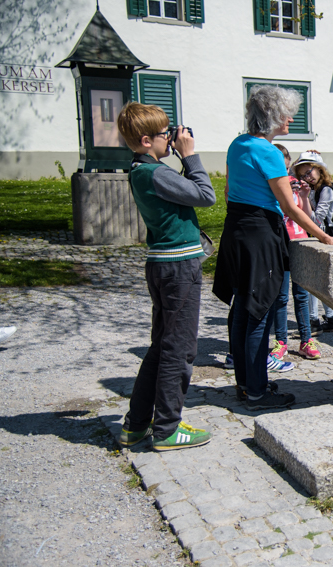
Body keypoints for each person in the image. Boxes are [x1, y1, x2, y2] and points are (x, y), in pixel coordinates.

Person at [213, 86, 333, 411]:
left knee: (242, 311)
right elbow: (291, 208)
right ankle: (257, 393)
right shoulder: (268, 152)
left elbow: (230, 192)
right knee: (257, 316)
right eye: (288, 112)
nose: (292, 118)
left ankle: (246, 384)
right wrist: (323, 237)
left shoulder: (236, 144)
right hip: (260, 238)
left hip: (236, 231)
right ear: (272, 116)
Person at [115, 102, 216, 450]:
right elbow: (206, 195)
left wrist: (174, 157)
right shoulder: (155, 173)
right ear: (146, 140)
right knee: (179, 348)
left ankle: (137, 424)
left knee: (161, 346)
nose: (170, 138)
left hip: (162, 265)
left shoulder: (143, 170)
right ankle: (168, 428)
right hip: (178, 268)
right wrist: (190, 157)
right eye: (164, 134)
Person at [269, 144, 321, 361]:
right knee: (280, 297)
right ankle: (280, 341)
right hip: (280, 245)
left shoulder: (296, 184)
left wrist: (306, 196)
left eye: (283, 159)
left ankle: (306, 340)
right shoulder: (271, 185)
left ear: (288, 161)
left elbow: (308, 218)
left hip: (299, 243)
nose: (280, 164)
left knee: (302, 296)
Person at [291, 150, 333, 334]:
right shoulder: (309, 189)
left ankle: (313, 320)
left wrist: (304, 198)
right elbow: (287, 176)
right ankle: (331, 318)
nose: (306, 177)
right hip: (313, 238)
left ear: (320, 170)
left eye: (309, 171)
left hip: (322, 238)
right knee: (318, 281)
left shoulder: (326, 190)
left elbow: (316, 222)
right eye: (302, 174)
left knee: (311, 281)